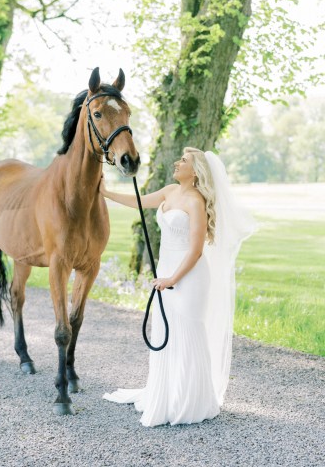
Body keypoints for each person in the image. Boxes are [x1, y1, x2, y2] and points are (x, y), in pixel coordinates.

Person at [101, 147, 256, 427]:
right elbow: (139, 201)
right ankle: (167, 395)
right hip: (166, 273)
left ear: (195, 171)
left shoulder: (196, 202)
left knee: (186, 333)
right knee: (165, 334)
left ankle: (190, 402)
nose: (177, 162)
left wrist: (173, 279)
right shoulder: (170, 191)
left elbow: (196, 250)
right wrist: (107, 193)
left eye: (183, 160)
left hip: (189, 277)